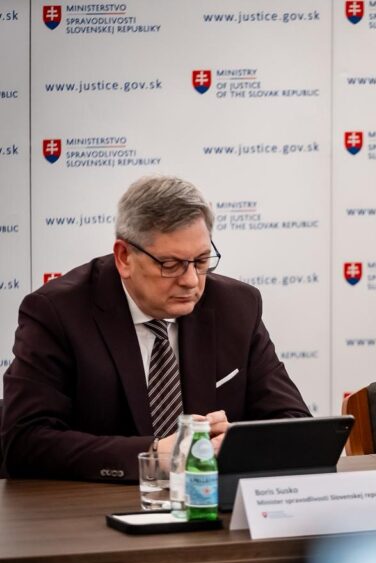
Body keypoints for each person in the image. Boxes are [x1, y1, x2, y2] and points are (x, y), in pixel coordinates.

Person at [1, 176, 310, 482]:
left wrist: (242, 443)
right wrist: (153, 455)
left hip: (206, 501)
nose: (191, 280)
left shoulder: (237, 307)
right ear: (124, 257)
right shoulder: (58, 313)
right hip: (96, 506)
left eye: (201, 261)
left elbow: (295, 423)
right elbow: (24, 441)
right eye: (171, 265)